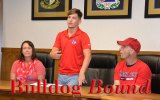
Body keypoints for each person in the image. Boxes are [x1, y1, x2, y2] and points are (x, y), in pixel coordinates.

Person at [50, 8, 91, 86]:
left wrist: (82, 72)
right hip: (61, 75)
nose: (70, 20)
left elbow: (88, 56)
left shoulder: (83, 36)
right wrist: (53, 55)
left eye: (74, 18)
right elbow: (52, 53)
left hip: (75, 76)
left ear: (79, 21)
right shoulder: (60, 35)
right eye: (69, 17)